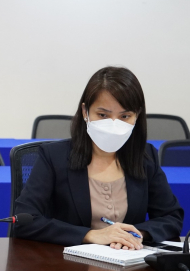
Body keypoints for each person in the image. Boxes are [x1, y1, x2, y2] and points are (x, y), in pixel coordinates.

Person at [14, 66, 183, 248]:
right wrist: (90, 235)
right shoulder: (54, 157)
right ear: (85, 112)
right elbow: (25, 220)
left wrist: (135, 235)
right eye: (103, 115)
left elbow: (171, 217)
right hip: (65, 262)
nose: (114, 124)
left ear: (137, 116)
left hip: (127, 261)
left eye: (125, 116)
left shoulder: (145, 157)